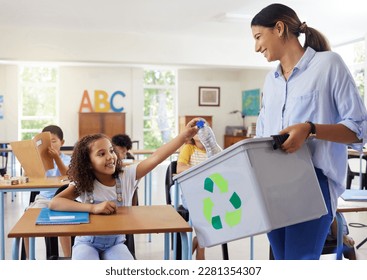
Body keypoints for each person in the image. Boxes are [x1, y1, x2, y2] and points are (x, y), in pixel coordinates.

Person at [251, 3, 367, 259]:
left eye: (258, 37)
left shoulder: (328, 65)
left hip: (312, 183)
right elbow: (262, 135)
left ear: (279, 28)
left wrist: (310, 129)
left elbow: (359, 130)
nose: (256, 47)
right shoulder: (270, 81)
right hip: (272, 185)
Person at [49, 118, 199, 260]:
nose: (110, 157)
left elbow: (156, 157)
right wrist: (93, 208)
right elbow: (55, 202)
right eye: (101, 154)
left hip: (116, 244)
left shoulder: (127, 176)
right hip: (86, 243)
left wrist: (183, 136)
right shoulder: (84, 182)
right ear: (88, 163)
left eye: (111, 151)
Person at [24, 125, 72, 259]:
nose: (50, 145)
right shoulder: (40, 160)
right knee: (26, 223)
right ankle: (29, 259)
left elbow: (68, 176)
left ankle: (68, 257)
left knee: (64, 225)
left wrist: (56, 158)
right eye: (46, 142)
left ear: (62, 143)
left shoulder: (68, 159)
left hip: (64, 199)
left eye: (54, 141)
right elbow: (29, 177)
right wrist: (29, 162)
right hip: (44, 199)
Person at [176, 134, 207, 260]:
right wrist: (201, 169)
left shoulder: (213, 149)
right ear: (193, 135)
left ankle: (199, 242)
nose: (201, 131)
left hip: (208, 193)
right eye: (198, 129)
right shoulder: (189, 148)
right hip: (191, 193)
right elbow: (179, 168)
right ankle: (201, 250)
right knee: (203, 210)